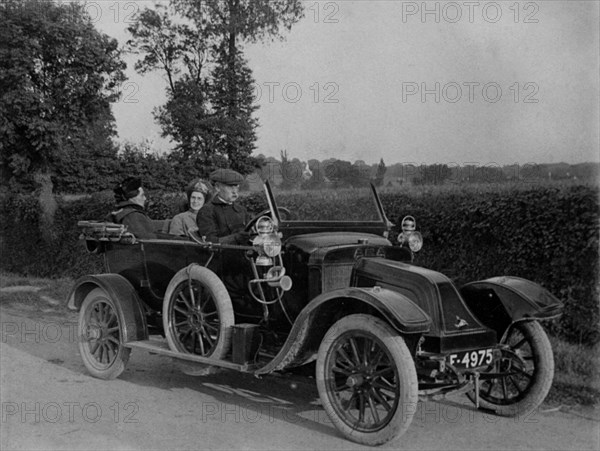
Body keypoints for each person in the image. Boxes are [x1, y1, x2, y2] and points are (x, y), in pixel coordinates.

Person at [196, 168, 251, 244]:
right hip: (221, 254)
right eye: (230, 186)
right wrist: (236, 238)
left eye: (236, 186)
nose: (234, 191)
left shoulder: (241, 210)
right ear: (217, 187)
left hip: (244, 253)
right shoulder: (207, 211)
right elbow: (211, 242)